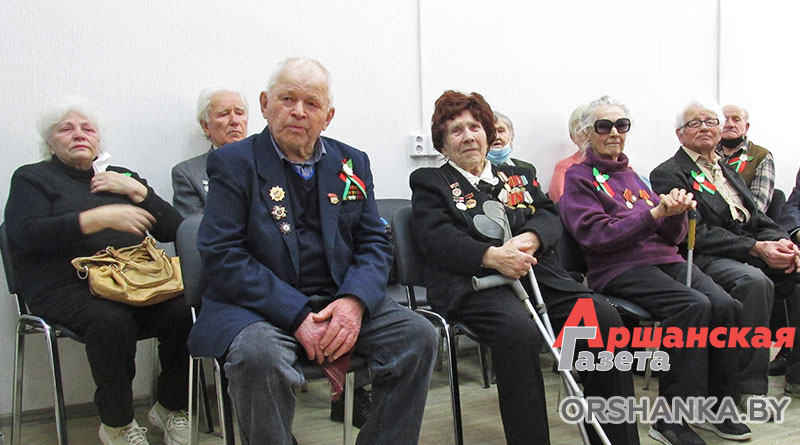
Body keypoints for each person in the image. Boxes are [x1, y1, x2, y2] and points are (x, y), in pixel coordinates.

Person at [186, 58, 438, 445]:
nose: (298, 111)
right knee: (259, 358)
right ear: (266, 104)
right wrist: (296, 314)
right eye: (287, 99)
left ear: (328, 117)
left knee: (418, 337)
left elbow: (374, 242)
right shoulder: (233, 163)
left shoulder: (351, 162)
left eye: (312, 103)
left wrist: (354, 302)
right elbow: (222, 253)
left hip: (338, 298)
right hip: (258, 307)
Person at [410, 90, 639, 445]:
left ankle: (617, 439)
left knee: (602, 319)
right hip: (476, 282)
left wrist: (532, 237)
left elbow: (549, 214)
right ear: (442, 143)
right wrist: (491, 255)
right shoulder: (430, 182)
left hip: (538, 276)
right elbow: (436, 238)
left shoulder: (520, 173)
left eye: (475, 127)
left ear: (487, 134)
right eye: (456, 130)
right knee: (519, 333)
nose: (468, 136)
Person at [560, 96, 750, 445]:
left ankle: (715, 407)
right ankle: (670, 421)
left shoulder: (633, 175)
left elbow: (671, 237)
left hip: (665, 260)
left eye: (621, 125)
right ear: (587, 133)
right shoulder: (579, 178)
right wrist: (654, 214)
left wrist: (676, 214)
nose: (614, 132)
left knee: (726, 306)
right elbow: (596, 235)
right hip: (618, 267)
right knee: (691, 305)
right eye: (604, 126)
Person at [4, 97, 190, 445]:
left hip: (133, 283)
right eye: (66, 129)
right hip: (63, 286)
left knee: (184, 309)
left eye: (87, 129)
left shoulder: (119, 177)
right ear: (50, 142)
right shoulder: (32, 178)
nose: (79, 134)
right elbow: (24, 234)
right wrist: (96, 219)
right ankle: (117, 424)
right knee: (112, 320)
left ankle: (170, 406)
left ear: (98, 141)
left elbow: (175, 230)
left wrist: (137, 190)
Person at [651, 98, 800, 404]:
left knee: (795, 266)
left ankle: (796, 376)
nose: (705, 128)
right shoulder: (669, 173)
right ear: (680, 134)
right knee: (753, 282)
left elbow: (757, 218)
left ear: (720, 131)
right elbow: (696, 232)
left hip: (745, 250)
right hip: (702, 255)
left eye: (711, 122)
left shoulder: (726, 170)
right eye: (695, 123)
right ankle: (745, 388)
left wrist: (783, 242)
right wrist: (756, 248)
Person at [171, 88, 249, 217]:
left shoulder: (268, 164)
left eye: (239, 113)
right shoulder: (189, 174)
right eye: (224, 114)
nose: (235, 121)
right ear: (206, 126)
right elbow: (194, 227)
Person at [716, 104, 775, 213]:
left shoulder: (761, 156)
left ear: (746, 127)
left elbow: (757, 207)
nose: (730, 125)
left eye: (736, 120)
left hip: (742, 220)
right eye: (724, 120)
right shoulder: (707, 154)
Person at [549, 103, 588, 201]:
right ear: (572, 137)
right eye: (582, 130)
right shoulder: (564, 168)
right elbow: (561, 204)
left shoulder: (620, 164)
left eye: (591, 128)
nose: (588, 135)